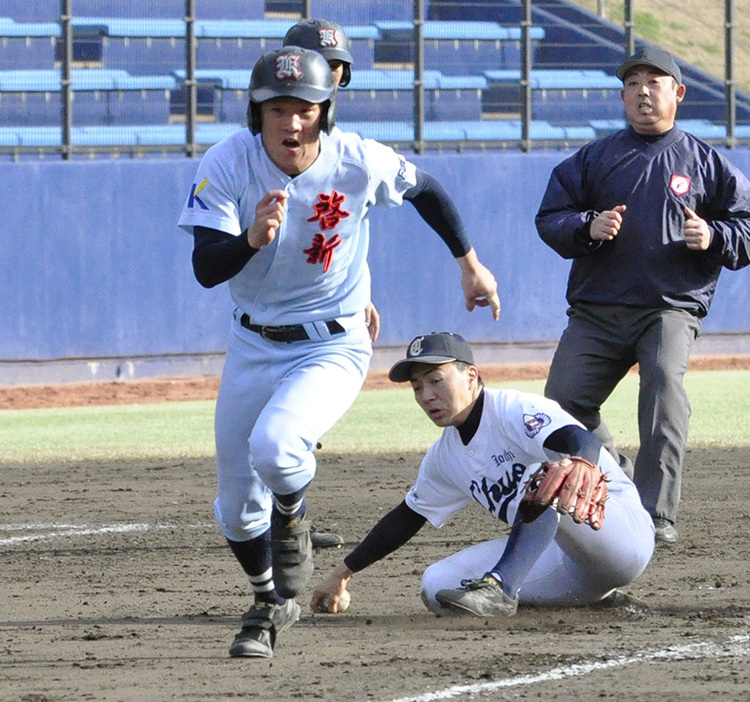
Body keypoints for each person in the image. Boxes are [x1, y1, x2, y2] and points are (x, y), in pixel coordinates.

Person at [177, 47, 500, 658]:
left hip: (333, 341)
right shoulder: (227, 164)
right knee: (236, 509)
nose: (291, 122)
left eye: (305, 108)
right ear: (257, 112)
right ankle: (269, 600)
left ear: (324, 111)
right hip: (252, 342)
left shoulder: (359, 160)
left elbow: (426, 189)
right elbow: (203, 267)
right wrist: (250, 238)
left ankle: (293, 515)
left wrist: (471, 263)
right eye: (278, 108)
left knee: (278, 447)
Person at [535, 46, 750, 545]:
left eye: (654, 82)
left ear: (678, 92)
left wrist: (716, 236)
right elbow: (550, 218)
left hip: (670, 306)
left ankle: (656, 515)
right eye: (632, 83)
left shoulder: (706, 162)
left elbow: (746, 226)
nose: (642, 92)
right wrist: (587, 226)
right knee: (562, 403)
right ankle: (621, 477)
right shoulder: (595, 158)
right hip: (598, 309)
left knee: (662, 386)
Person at [311, 332, 654, 618]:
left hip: (619, 537)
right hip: (564, 564)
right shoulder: (444, 455)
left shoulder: (512, 409)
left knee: (548, 479)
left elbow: (579, 439)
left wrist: (582, 462)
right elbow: (406, 518)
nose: (427, 395)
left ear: (471, 377)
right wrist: (341, 574)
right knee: (437, 587)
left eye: (436, 380)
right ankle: (585, 601)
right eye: (417, 387)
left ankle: (502, 590)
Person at [282, 18, 375, 550]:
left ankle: (292, 519)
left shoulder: (341, 144)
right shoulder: (277, 137)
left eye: (339, 67)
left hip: (329, 307)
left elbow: (343, 227)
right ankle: (283, 519)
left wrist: (358, 293)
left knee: (297, 425)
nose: (332, 76)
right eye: (325, 65)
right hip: (272, 307)